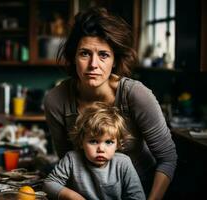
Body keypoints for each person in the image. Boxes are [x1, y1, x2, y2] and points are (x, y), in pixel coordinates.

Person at [43, 7, 177, 199]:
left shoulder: (136, 95)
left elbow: (167, 158)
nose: (93, 65)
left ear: (114, 60)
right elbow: (69, 161)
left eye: (103, 55)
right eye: (84, 53)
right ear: (74, 57)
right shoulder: (56, 100)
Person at [43, 102, 146, 200]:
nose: (101, 149)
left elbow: (137, 197)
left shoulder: (123, 163)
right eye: (93, 141)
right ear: (81, 142)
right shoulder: (72, 159)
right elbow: (49, 184)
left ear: (118, 144)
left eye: (109, 142)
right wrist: (74, 197)